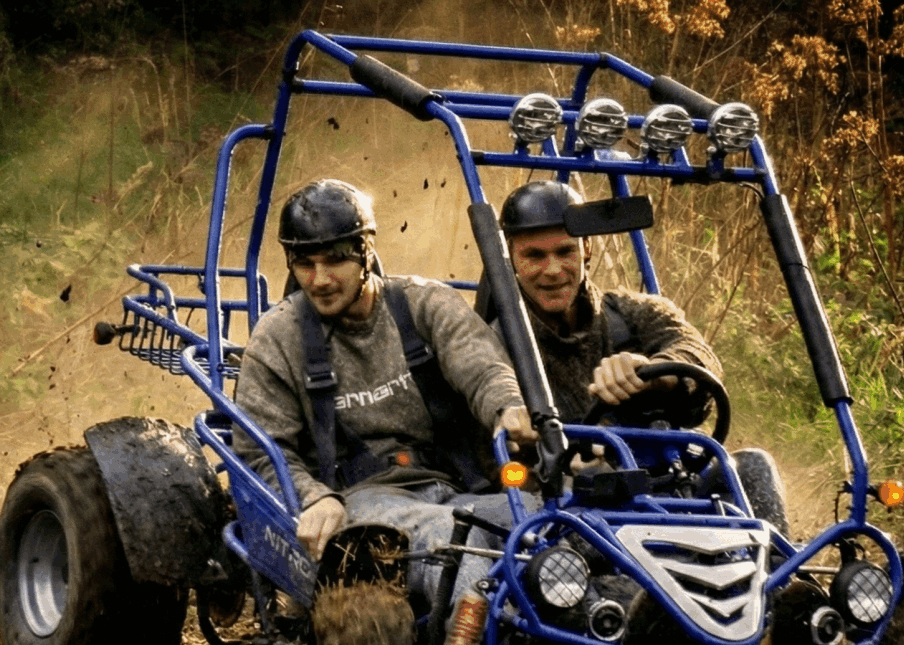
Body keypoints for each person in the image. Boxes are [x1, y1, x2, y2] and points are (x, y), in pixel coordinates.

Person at [234, 179, 535, 617]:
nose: (320, 280)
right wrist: (313, 497)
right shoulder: (278, 339)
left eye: (335, 260)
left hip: (454, 489)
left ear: (366, 251)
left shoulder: (425, 304)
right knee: (451, 537)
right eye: (305, 264)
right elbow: (261, 451)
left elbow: (483, 368)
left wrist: (508, 408)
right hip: (359, 503)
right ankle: (481, 642)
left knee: (546, 521)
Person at [497, 179, 788, 532]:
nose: (553, 270)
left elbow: (698, 354)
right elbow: (497, 455)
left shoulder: (633, 312)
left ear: (586, 248)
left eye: (565, 252)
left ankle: (775, 567)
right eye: (535, 256)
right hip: (573, 509)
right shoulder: (495, 341)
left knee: (754, 465)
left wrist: (652, 373)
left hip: (669, 488)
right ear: (511, 258)